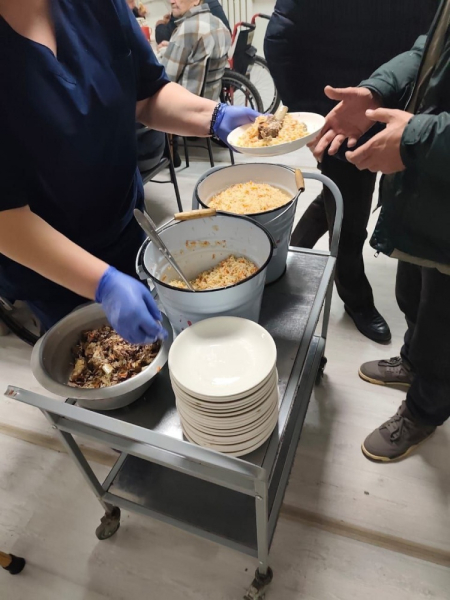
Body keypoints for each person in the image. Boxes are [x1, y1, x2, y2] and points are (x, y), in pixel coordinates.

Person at [0, 0, 258, 345]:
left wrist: (213, 116)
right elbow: (5, 217)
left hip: (129, 230)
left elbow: (147, 95)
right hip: (52, 267)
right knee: (97, 361)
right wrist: (101, 283)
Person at [311, 0, 450, 462]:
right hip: (432, 188)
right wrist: (376, 89)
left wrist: (416, 139)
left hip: (433, 158)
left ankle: (425, 410)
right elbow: (429, 49)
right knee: (415, 290)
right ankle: (412, 362)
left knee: (445, 324)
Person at [264, 1, 437, 344]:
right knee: (350, 218)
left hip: (404, 107)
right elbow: (280, 37)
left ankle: (292, 251)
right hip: (342, 112)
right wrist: (307, 115)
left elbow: (429, 38)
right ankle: (355, 296)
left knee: (339, 197)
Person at [157, 0, 231, 100]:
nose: (171, 1)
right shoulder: (220, 25)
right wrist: (171, 47)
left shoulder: (187, 29)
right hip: (211, 105)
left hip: (184, 106)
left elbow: (164, 79)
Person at [155, 0, 230, 45]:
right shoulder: (218, 23)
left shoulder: (189, 25)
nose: (171, 1)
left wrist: (160, 23)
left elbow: (163, 38)